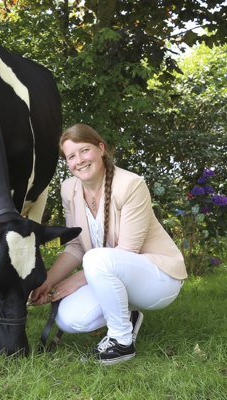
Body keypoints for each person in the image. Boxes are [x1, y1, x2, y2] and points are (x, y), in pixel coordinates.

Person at [31, 123, 187, 365]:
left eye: (84, 151)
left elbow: (126, 252)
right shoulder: (68, 190)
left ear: (101, 148)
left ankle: (121, 342)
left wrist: (71, 283)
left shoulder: (131, 184)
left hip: (158, 278)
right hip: (112, 273)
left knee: (96, 258)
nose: (79, 160)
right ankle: (129, 317)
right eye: (71, 156)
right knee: (69, 320)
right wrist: (47, 283)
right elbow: (75, 247)